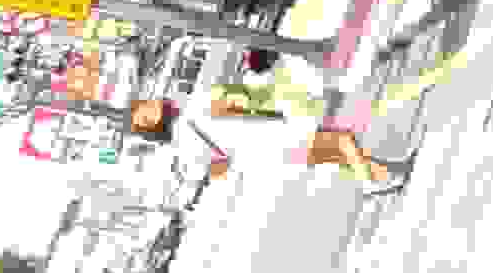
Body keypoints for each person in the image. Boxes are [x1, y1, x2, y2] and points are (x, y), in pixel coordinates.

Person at [173, 46, 404, 195]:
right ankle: (369, 184)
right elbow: (240, 102)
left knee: (338, 154)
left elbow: (217, 171)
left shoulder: (198, 137)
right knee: (342, 142)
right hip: (278, 138)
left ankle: (389, 170)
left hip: (267, 155)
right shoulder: (203, 112)